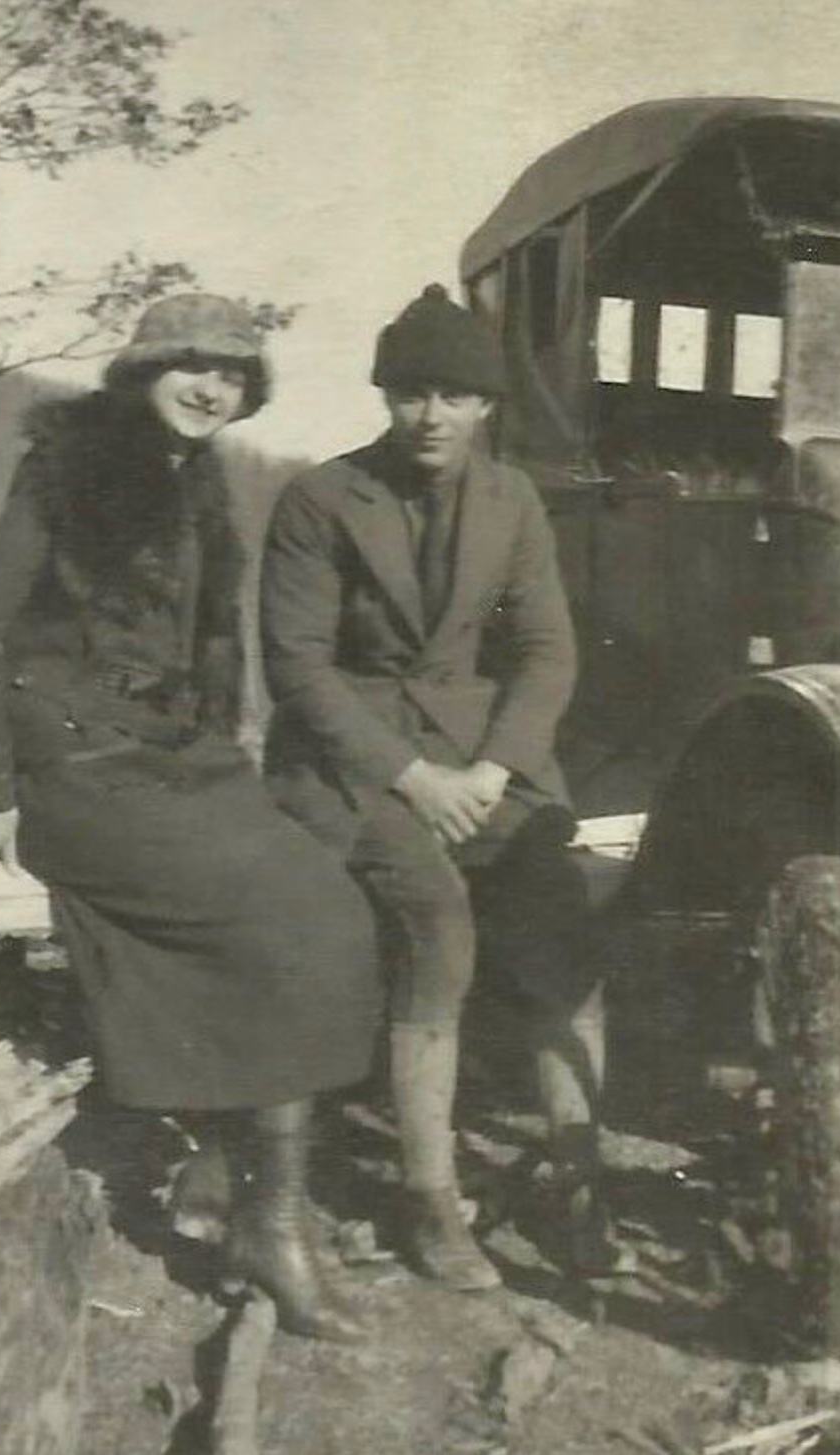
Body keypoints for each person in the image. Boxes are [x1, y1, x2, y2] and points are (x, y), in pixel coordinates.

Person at [0, 294, 381, 1344]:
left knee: (328, 904)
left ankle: (234, 1186)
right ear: (141, 371)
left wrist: (220, 758)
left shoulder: (200, 483)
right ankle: (269, 1221)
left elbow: (204, 654)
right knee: (288, 913)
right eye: (190, 366)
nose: (210, 389)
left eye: (232, 375)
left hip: (168, 762)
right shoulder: (69, 468)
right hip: (71, 766)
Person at [260, 284, 613, 1292]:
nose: (431, 415)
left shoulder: (513, 500)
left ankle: (579, 1180)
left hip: (480, 757)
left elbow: (545, 651)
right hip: (349, 761)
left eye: (455, 395)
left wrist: (494, 768)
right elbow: (297, 667)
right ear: (384, 396)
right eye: (412, 392)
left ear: (486, 405)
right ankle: (429, 1200)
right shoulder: (321, 498)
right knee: (435, 917)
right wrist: (412, 777)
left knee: (559, 915)